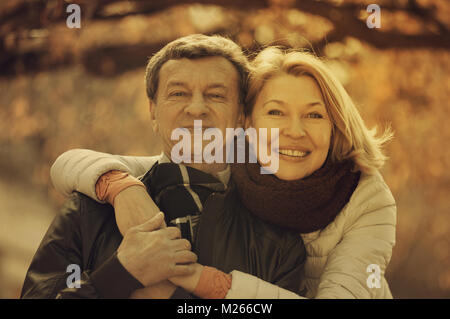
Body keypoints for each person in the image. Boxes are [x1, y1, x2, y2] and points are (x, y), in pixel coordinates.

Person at [50, 46, 397, 298]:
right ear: (248, 122)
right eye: (275, 112)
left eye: (315, 115)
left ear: (336, 126)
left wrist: (196, 281)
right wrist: (120, 188)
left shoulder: (365, 198)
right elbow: (75, 163)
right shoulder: (222, 167)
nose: (294, 131)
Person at [21, 34, 306, 299]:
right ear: (153, 111)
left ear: (242, 115)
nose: (196, 108)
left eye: (216, 95)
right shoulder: (87, 210)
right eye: (178, 93)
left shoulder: (277, 239)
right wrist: (120, 273)